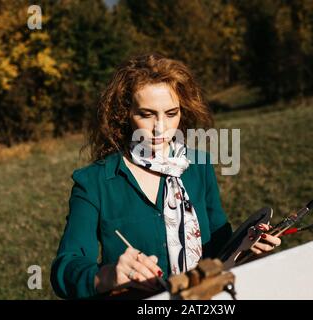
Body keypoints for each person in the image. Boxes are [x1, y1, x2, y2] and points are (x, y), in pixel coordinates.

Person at [50, 53, 281, 299]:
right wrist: (108, 276)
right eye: (147, 114)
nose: (160, 128)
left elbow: (219, 250)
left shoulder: (199, 166)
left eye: (171, 113)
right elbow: (65, 268)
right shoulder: (94, 182)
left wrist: (246, 248)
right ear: (124, 113)